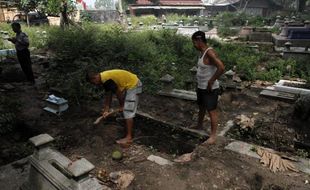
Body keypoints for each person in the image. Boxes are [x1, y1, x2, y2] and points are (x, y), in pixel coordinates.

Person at [86, 69, 142, 145]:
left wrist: (122, 105)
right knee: (126, 109)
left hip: (133, 84)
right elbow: (108, 95)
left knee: (128, 111)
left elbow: (118, 93)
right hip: (130, 84)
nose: (95, 84)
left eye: (93, 82)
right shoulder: (104, 79)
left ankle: (129, 138)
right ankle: (126, 127)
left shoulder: (107, 79)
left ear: (95, 77)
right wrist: (106, 110)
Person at [191, 31, 225, 144]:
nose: (194, 45)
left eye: (194, 42)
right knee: (201, 107)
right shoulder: (202, 53)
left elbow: (221, 67)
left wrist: (211, 81)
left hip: (210, 88)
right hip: (201, 87)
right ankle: (199, 125)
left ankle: (213, 136)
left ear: (199, 40)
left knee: (212, 111)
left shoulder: (209, 52)